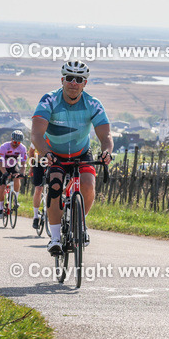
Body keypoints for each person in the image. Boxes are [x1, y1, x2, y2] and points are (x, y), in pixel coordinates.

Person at [31, 60, 113, 255]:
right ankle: (56, 238)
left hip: (81, 153)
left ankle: (80, 224)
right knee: (55, 185)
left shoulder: (93, 103)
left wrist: (107, 151)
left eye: (79, 79)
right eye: (69, 78)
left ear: (85, 83)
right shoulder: (49, 100)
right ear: (62, 80)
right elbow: (36, 134)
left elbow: (105, 135)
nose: (73, 83)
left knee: (88, 184)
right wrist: (46, 153)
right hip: (55, 154)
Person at [0, 130, 28, 218]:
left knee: (17, 178)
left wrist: (22, 173)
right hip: (1, 166)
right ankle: (0, 208)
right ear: (11, 139)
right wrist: (5, 173)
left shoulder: (22, 148)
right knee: (2, 187)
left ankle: (15, 199)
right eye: (14, 141)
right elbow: (0, 163)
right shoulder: (4, 147)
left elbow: (23, 163)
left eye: (18, 142)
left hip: (13, 166)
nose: (16, 144)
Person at [28, 144, 46, 230]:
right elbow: (31, 151)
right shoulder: (38, 134)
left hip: (51, 164)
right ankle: (35, 217)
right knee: (38, 189)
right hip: (38, 164)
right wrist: (31, 167)